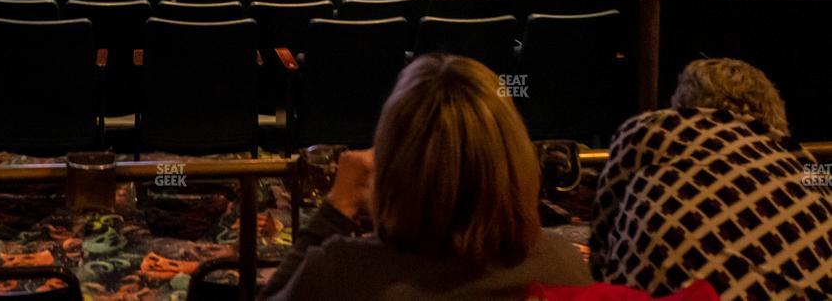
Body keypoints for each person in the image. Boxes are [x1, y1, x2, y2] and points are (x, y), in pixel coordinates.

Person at [263, 54, 592, 299]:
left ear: (392, 166)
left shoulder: (337, 274)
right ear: (516, 160)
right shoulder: (564, 268)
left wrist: (337, 206)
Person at [591, 59, 832, 300]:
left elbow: (601, 241)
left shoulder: (656, 129)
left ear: (685, 103)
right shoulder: (808, 167)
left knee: (556, 252)